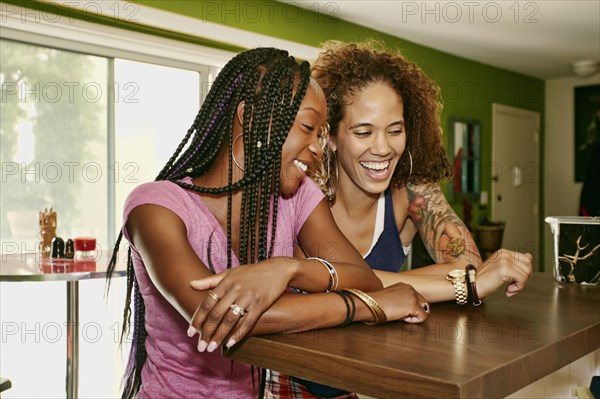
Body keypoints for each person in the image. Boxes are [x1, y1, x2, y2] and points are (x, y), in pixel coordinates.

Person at [107, 47, 431, 399]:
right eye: (308, 127)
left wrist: (288, 269)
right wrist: (368, 307)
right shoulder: (156, 207)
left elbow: (364, 276)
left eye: (321, 133)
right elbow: (221, 315)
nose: (319, 148)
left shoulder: (297, 196)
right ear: (250, 118)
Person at [261, 41, 534, 398]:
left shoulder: (412, 192)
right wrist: (465, 286)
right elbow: (328, 282)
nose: (383, 148)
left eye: (395, 129)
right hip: (292, 379)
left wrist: (460, 279)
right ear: (329, 136)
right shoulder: (297, 193)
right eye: (363, 132)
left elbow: (467, 262)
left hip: (373, 380)